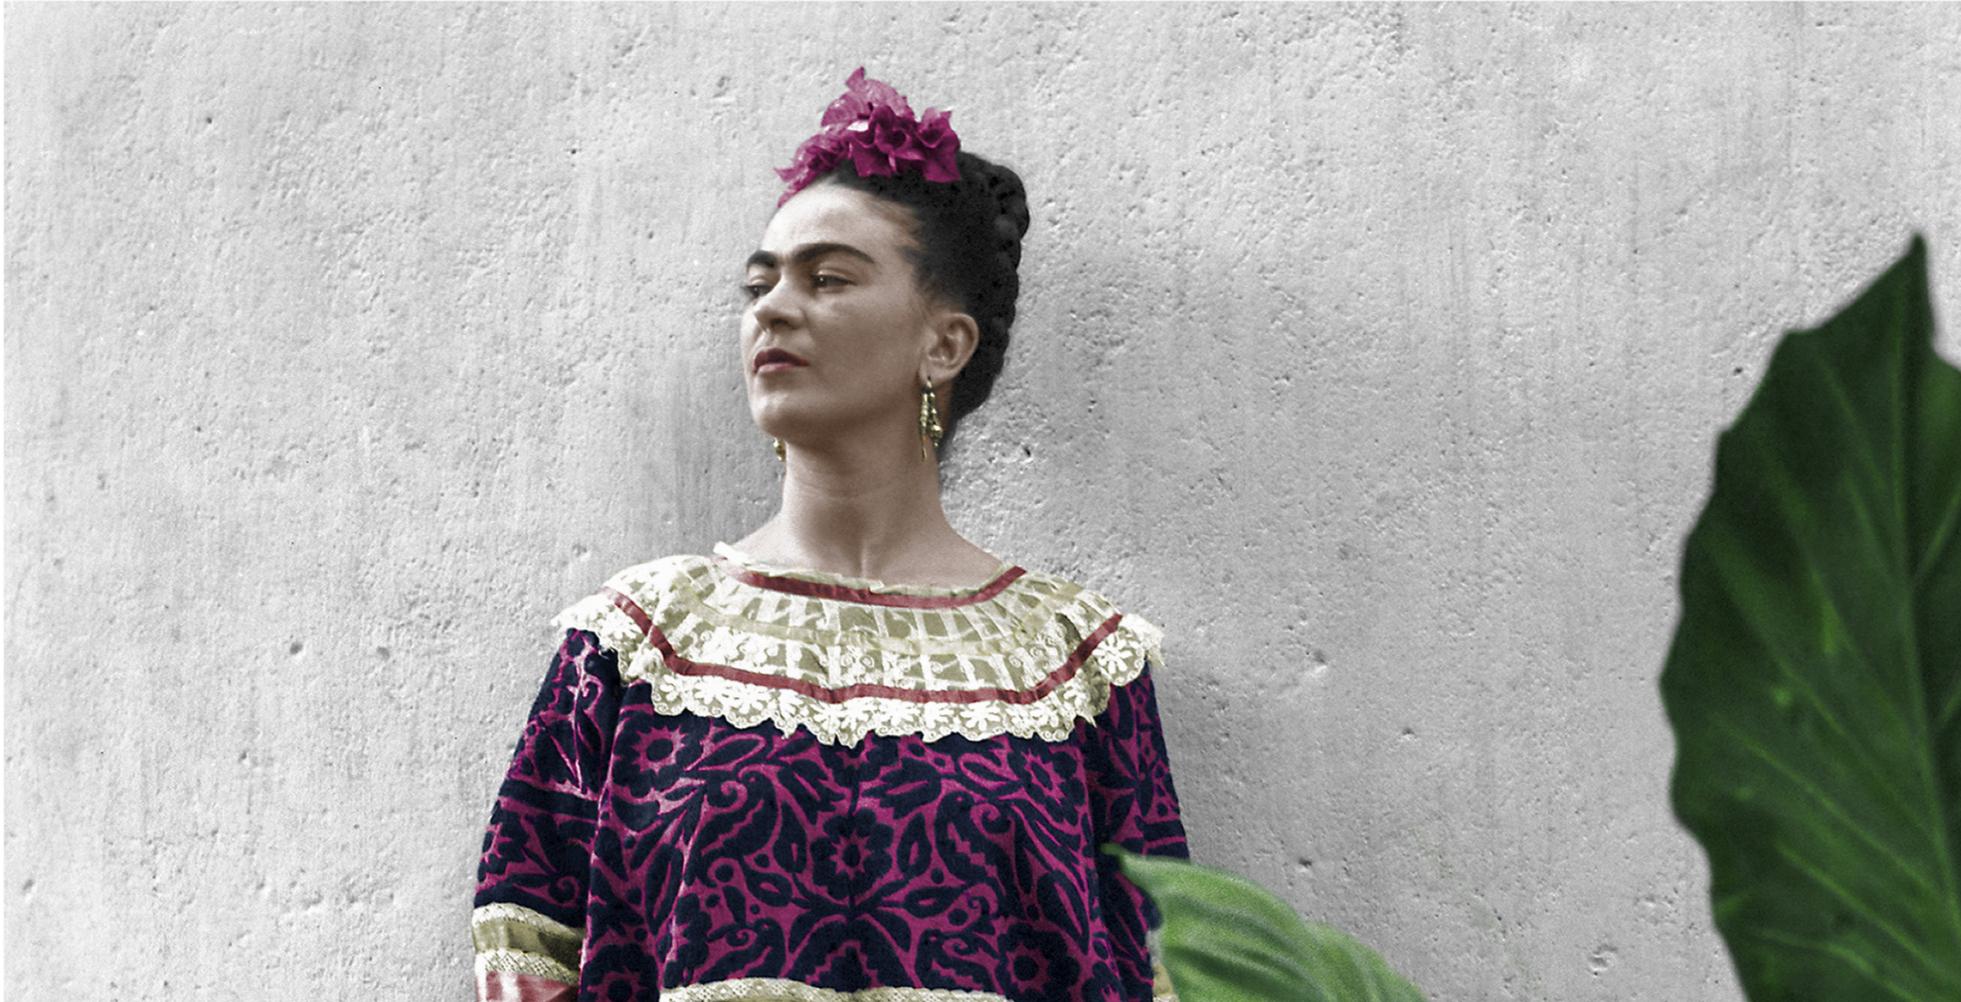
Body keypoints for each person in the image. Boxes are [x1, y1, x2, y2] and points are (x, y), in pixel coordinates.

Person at [471, 68, 1190, 1002]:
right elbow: (530, 962)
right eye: (759, 283)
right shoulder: (637, 644)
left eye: (829, 279)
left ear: (945, 344)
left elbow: (1160, 975)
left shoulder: (1077, 669)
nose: (770, 307)